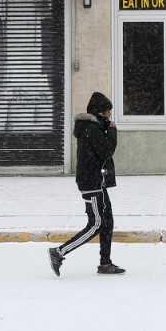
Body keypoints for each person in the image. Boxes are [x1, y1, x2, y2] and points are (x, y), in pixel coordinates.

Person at [49, 91, 124, 276]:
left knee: (107, 222)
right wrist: (112, 129)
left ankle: (105, 263)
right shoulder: (92, 129)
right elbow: (107, 150)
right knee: (97, 224)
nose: (109, 116)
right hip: (92, 182)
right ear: (100, 112)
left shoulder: (93, 127)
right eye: (107, 113)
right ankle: (59, 252)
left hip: (96, 181)